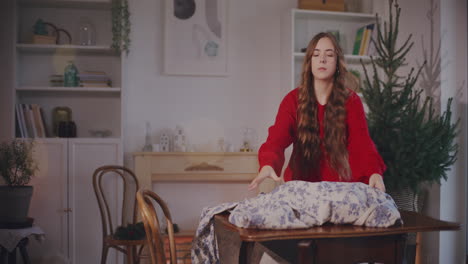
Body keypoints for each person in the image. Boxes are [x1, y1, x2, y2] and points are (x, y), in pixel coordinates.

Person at [248, 32, 386, 192]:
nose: (322, 59)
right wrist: (268, 163)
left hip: (340, 189)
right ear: (309, 62)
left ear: (337, 63)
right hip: (300, 188)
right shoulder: (292, 100)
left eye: (329, 55)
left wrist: (374, 172)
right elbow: (276, 139)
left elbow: (362, 143)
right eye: (316, 55)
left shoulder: (352, 101)